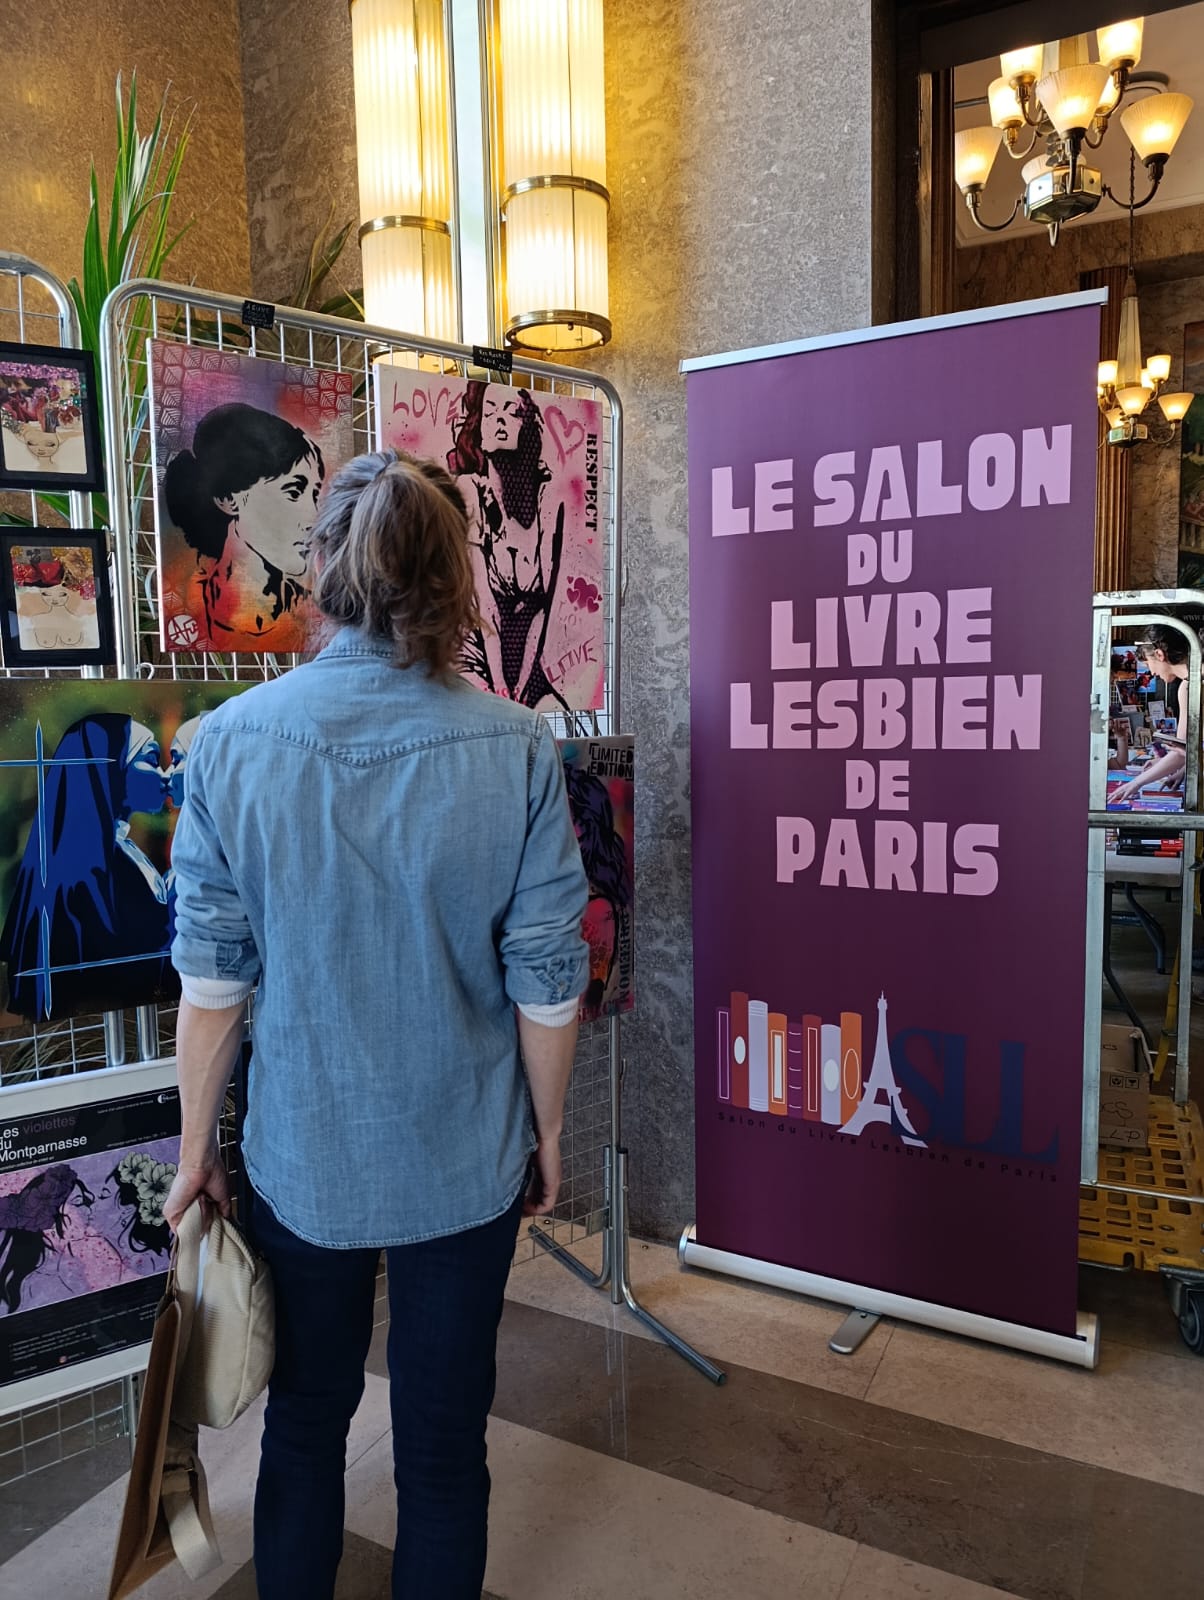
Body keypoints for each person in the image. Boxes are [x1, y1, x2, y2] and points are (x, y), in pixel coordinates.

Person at [163, 448, 589, 1600]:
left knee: (304, 1423)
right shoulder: (515, 749)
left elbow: (214, 984)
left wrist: (195, 1149)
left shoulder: (230, 744)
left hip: (302, 1154)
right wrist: (548, 1137)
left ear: (324, 572)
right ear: (455, 581)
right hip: (469, 1156)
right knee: (447, 1449)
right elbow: (548, 982)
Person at [0, 715, 171, 1021]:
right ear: (111, 768)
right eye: (151, 759)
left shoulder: (112, 855)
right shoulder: (88, 878)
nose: (165, 774)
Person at [448, 383, 569, 711]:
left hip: (529, 657)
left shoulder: (549, 499)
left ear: (528, 428)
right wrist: (500, 686)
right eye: (489, 413)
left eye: (511, 413)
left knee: (551, 715)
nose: (498, 420)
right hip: (476, 651)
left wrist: (521, 685)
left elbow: (543, 605)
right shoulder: (469, 490)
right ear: (479, 428)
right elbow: (484, 604)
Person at [162, 402, 324, 647]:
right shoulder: (189, 604)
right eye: (293, 492)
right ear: (228, 499)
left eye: (314, 494)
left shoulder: (317, 616)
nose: (314, 518)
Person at [1110, 623, 1194, 805]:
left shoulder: (1188, 689)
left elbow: (1182, 752)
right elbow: (1185, 751)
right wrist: (1184, 769)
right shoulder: (1187, 686)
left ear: (1159, 655)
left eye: (1148, 664)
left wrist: (1136, 783)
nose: (1152, 672)